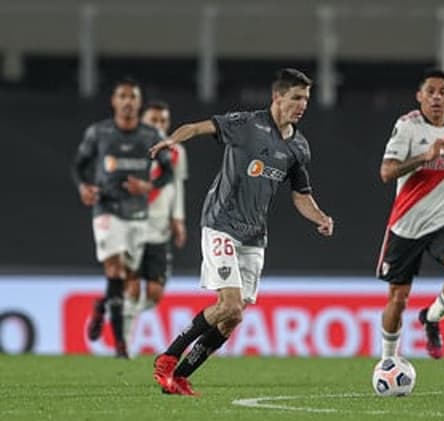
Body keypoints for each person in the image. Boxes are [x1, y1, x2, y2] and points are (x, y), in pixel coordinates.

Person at [149, 68, 334, 396]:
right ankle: (168, 357)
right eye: (296, 97)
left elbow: (301, 194)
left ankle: (180, 376)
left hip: (254, 236)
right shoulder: (247, 124)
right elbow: (196, 127)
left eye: (306, 98)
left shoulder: (298, 147)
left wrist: (319, 216)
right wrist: (169, 141)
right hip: (221, 223)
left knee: (233, 318)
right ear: (277, 97)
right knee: (230, 305)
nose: (303, 104)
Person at [376, 69, 444, 360]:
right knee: (397, 299)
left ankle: (432, 317)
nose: (437, 97)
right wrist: (423, 158)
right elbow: (386, 172)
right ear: (419, 97)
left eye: (443, 92)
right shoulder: (408, 127)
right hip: (406, 224)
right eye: (431, 92)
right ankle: (388, 360)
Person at [72, 78, 174, 358]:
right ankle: (120, 344)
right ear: (114, 101)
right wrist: (84, 187)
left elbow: (169, 172)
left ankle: (102, 306)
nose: (128, 101)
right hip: (107, 210)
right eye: (123, 96)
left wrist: (149, 187)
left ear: (138, 103)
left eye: (133, 96)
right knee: (115, 270)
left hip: (138, 215)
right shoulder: (99, 133)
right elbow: (79, 166)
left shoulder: (150, 135)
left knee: (128, 278)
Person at [122, 101, 189, 349]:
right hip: (132, 225)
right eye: (154, 121)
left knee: (154, 293)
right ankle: (125, 342)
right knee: (131, 283)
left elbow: (177, 185)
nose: (159, 126)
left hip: (159, 227)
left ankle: (126, 314)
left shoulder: (176, 152)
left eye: (163, 121)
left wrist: (178, 219)